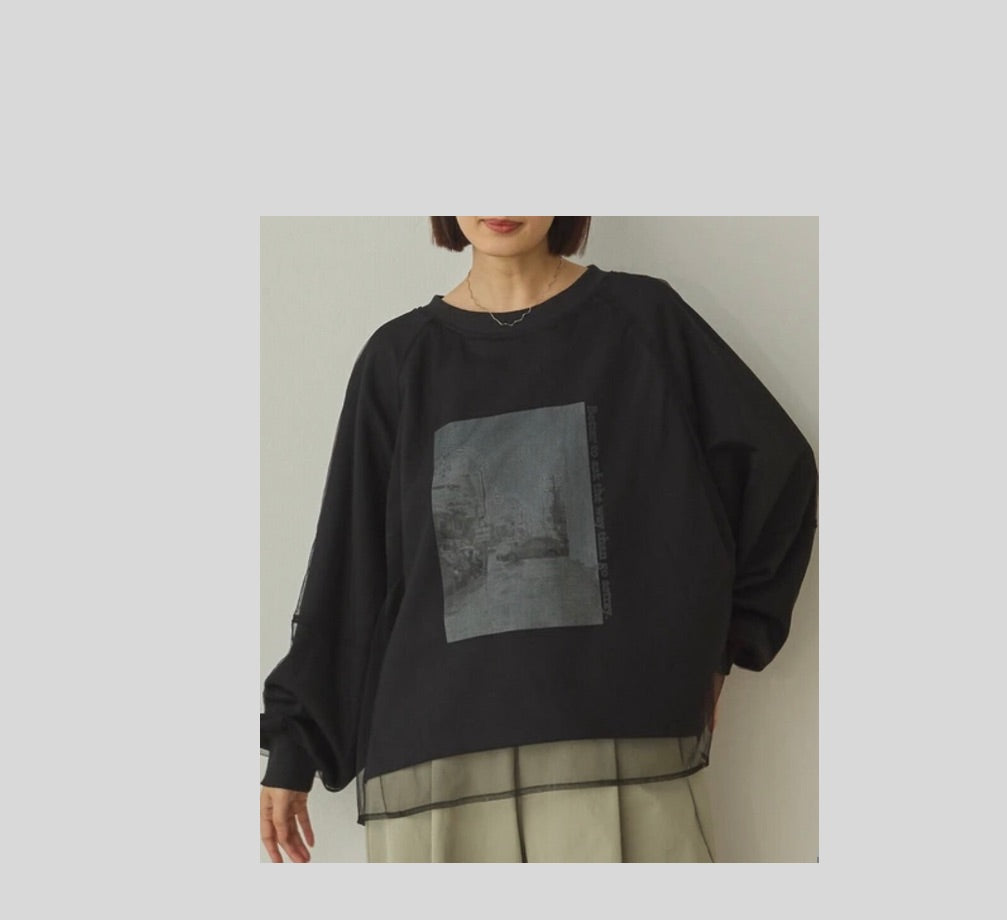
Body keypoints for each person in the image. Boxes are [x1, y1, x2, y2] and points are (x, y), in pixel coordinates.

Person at [260, 216, 818, 863]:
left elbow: (778, 473)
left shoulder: (643, 322)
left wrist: (726, 645)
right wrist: (294, 748)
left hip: (620, 742)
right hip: (440, 762)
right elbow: (350, 564)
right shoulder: (399, 359)